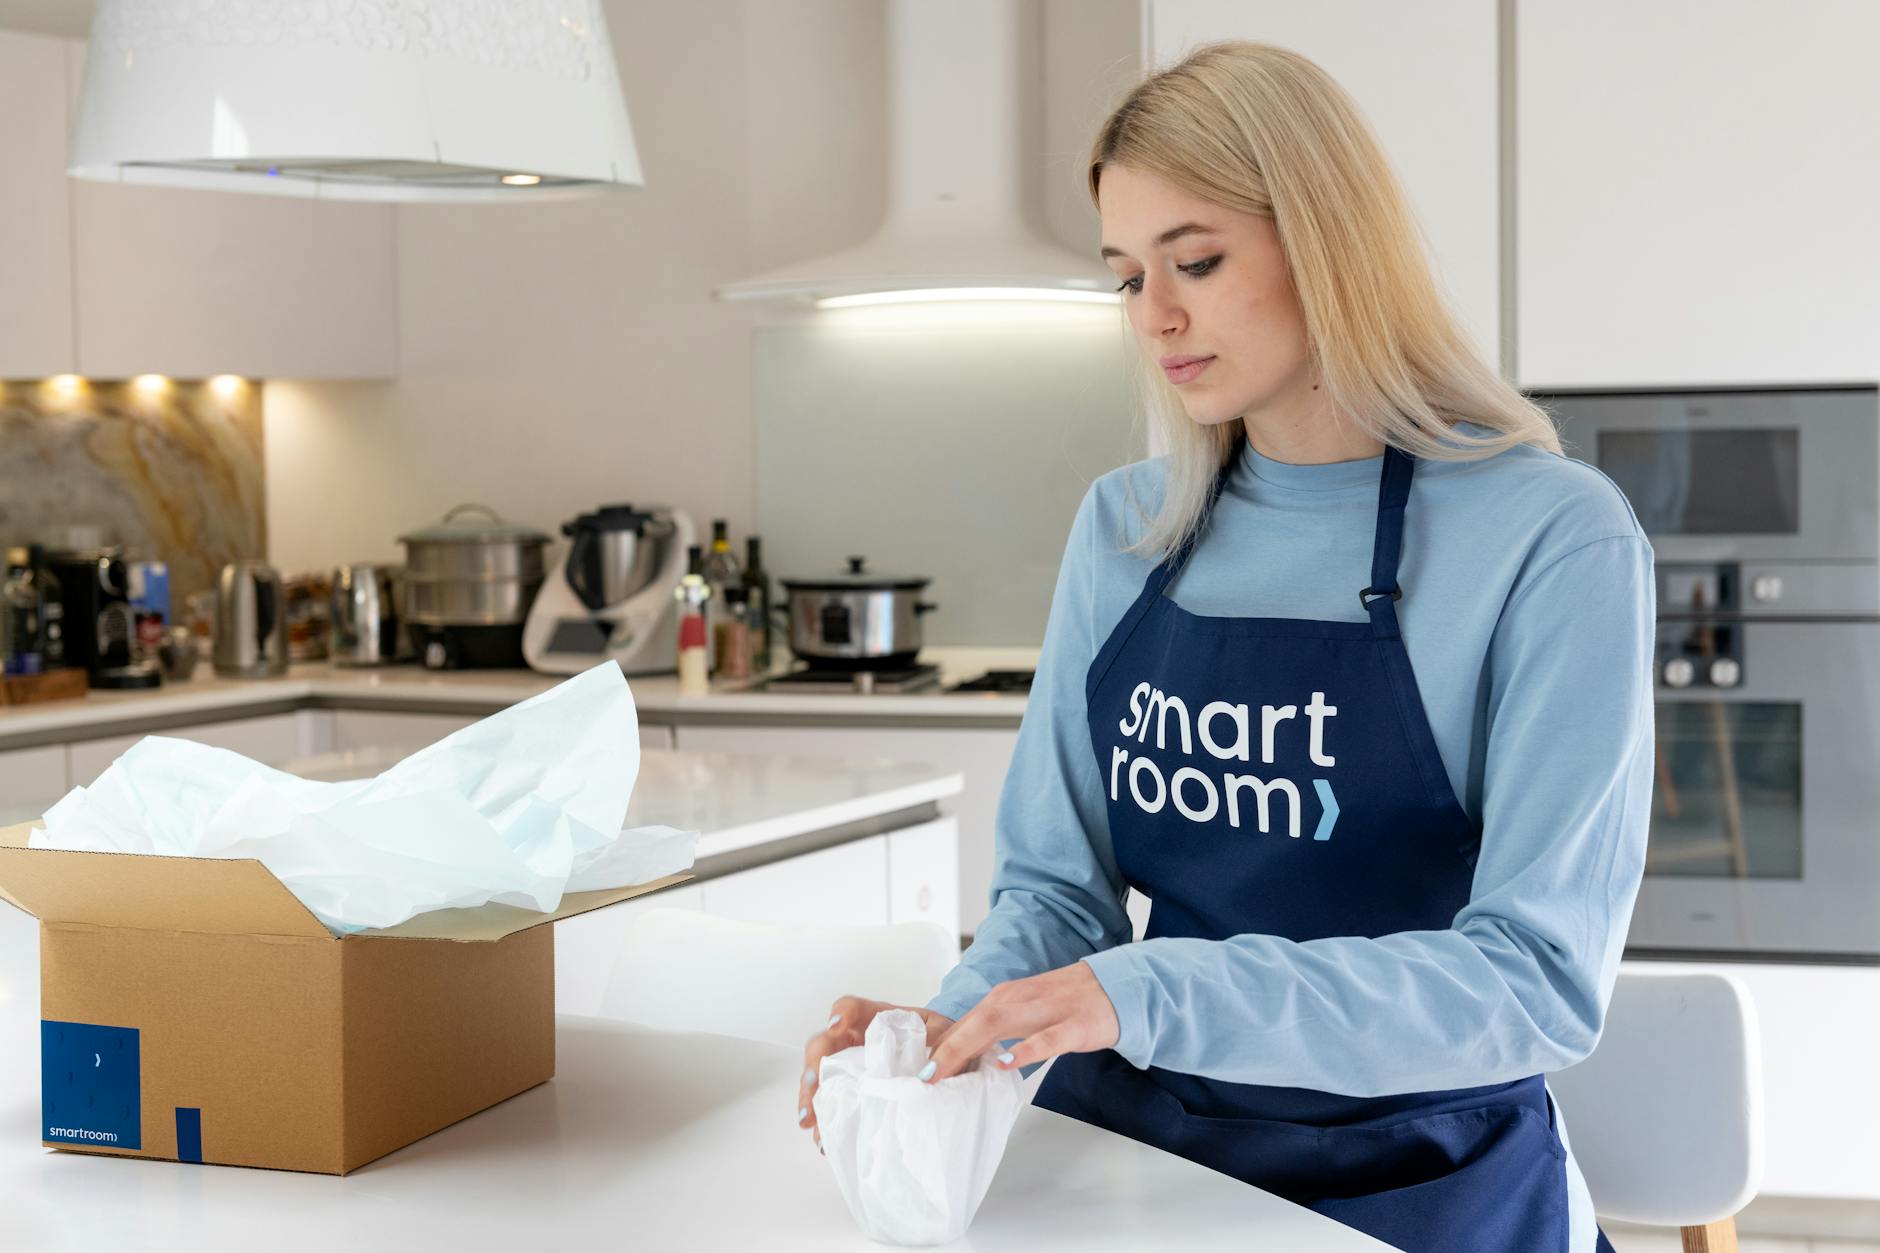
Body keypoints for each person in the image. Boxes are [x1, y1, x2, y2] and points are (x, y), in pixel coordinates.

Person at [795, 39, 1652, 1253]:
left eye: (1194, 260)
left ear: (1326, 243)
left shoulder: (1549, 537)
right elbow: (1053, 893)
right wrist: (941, 1041)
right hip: (1128, 1149)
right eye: (1125, 278)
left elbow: (1531, 982)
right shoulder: (1127, 525)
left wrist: (1142, 993)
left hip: (1414, 1174)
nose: (1157, 316)